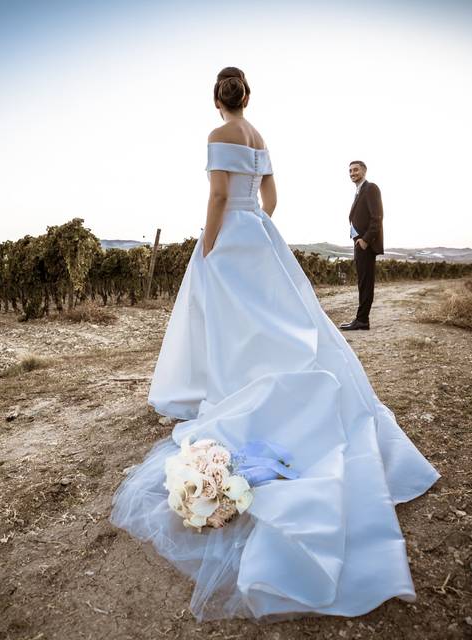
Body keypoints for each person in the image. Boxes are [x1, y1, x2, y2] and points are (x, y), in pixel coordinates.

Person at [110, 67, 439, 622]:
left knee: (228, 322)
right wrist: (253, 224)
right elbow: (271, 197)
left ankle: (233, 390)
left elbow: (217, 195)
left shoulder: (219, 136)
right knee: (272, 322)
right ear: (248, 97)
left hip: (229, 234)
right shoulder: (259, 137)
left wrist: (211, 244)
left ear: (217, 98)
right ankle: (263, 387)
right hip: (259, 234)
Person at [339, 160, 384, 331]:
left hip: (366, 243)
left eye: (356, 170)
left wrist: (365, 240)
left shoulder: (371, 188)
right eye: (350, 170)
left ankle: (362, 320)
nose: (352, 173)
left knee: (365, 283)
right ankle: (361, 319)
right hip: (359, 242)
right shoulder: (359, 192)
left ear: (364, 171)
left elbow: (377, 217)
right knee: (362, 282)